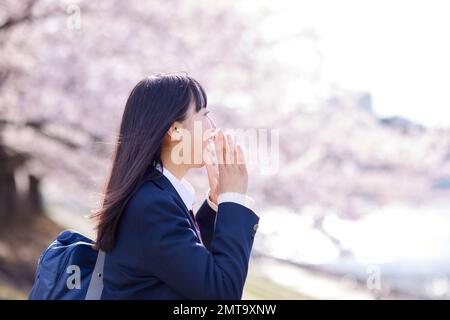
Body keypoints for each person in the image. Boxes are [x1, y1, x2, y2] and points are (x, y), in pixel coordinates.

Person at [92, 73, 260, 299]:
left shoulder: (153, 195)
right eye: (204, 115)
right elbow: (223, 294)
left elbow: (185, 262)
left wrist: (215, 203)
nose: (213, 127)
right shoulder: (152, 205)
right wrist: (233, 201)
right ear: (174, 130)